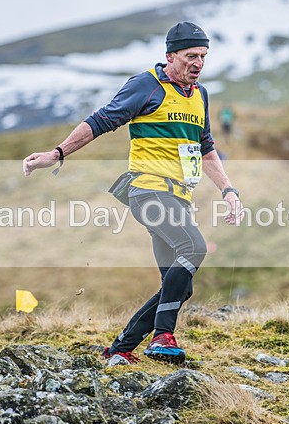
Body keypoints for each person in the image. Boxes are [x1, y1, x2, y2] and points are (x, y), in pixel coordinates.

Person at [22, 21, 243, 366]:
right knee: (194, 248)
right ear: (170, 56)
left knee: (179, 286)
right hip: (148, 192)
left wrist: (229, 190)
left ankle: (120, 348)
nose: (198, 63)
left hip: (178, 199)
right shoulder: (146, 86)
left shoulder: (200, 95)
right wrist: (57, 153)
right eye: (190, 56)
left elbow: (205, 146)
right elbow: (100, 121)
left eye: (203, 56)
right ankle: (162, 337)